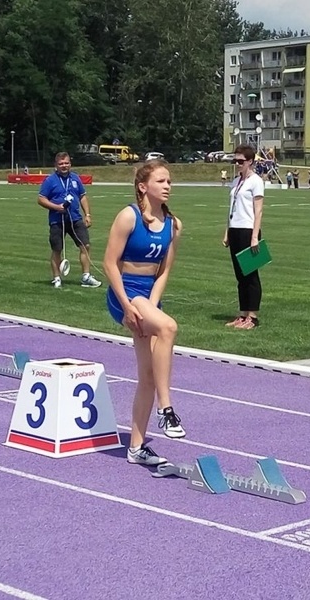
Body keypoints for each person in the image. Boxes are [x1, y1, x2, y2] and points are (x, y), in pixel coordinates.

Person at [104, 160, 185, 466]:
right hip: (123, 292)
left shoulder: (173, 225)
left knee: (148, 375)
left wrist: (150, 304)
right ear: (143, 186)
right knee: (169, 328)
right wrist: (127, 305)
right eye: (161, 181)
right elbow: (110, 263)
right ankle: (167, 410)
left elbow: (164, 271)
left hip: (148, 297)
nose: (168, 186)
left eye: (169, 181)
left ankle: (136, 447)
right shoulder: (129, 216)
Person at [37, 152, 101, 289]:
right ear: (56, 165)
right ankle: (56, 278)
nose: (64, 166)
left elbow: (83, 196)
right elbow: (41, 199)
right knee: (57, 249)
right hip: (57, 220)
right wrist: (56, 207)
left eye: (66, 163)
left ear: (70, 163)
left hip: (75, 218)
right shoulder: (50, 180)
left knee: (85, 245)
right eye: (61, 164)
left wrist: (88, 214)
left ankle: (86, 276)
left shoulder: (75, 178)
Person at [223, 144, 265, 330]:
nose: (237, 164)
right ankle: (242, 314)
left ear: (250, 161)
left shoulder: (255, 181)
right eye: (235, 161)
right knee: (240, 276)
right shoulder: (236, 181)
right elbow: (231, 208)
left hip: (249, 231)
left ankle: (253, 317)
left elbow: (259, 210)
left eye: (241, 161)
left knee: (251, 275)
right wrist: (227, 231)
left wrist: (255, 236)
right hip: (236, 229)